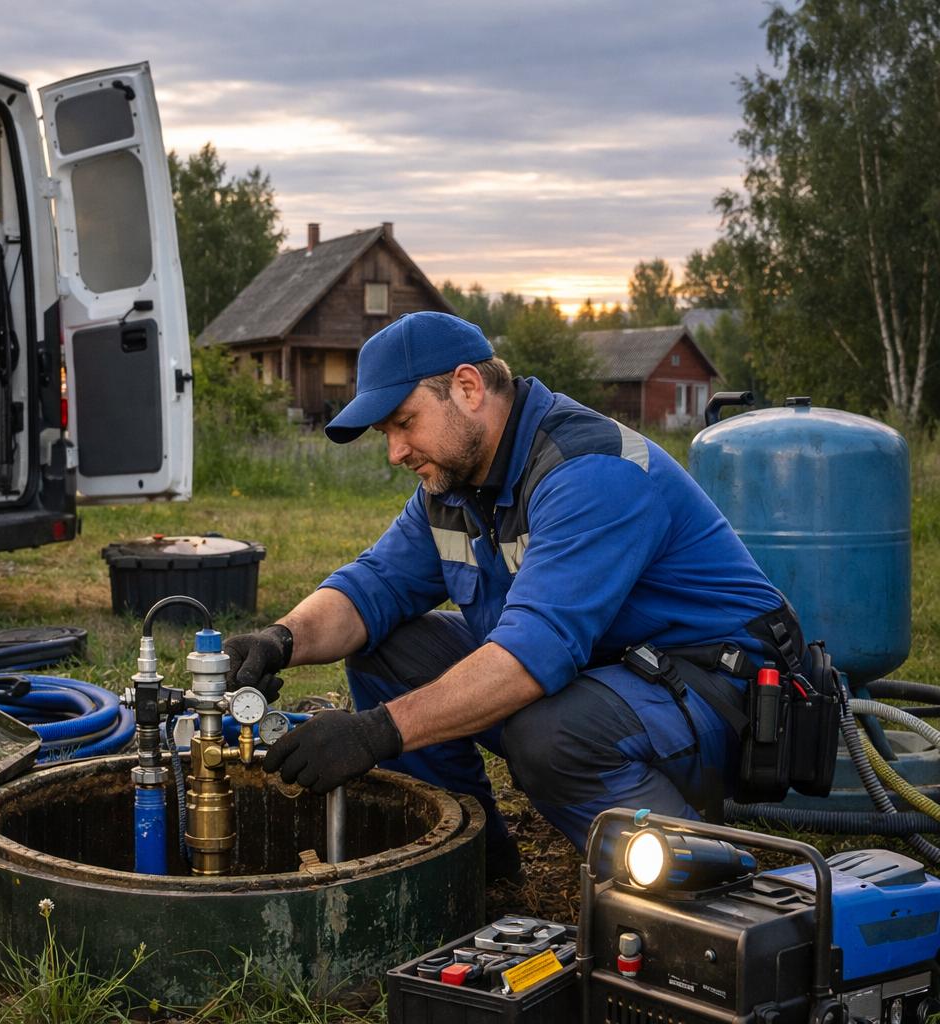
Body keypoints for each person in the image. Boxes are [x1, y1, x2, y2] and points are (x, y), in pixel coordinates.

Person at [227, 311, 797, 882]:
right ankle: (470, 867)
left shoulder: (590, 470)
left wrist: (375, 733)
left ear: (467, 387)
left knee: (551, 734)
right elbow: (373, 585)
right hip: (613, 674)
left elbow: (531, 656)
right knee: (387, 650)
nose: (395, 452)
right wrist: (280, 640)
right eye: (386, 434)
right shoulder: (456, 483)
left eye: (404, 422)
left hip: (724, 690)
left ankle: (697, 878)